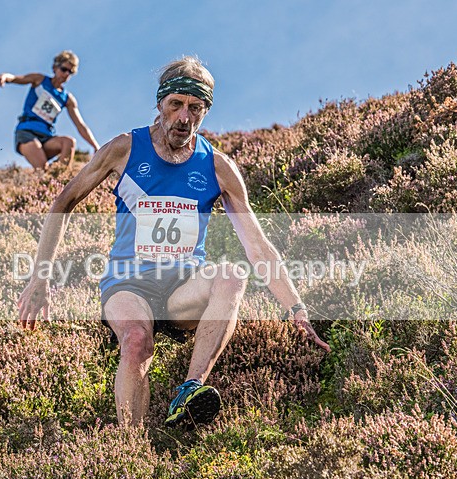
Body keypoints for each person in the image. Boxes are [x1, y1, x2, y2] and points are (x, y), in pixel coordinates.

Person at [17, 56, 330, 427]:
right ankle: (128, 451)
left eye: (195, 108)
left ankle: (190, 390)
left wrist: (295, 307)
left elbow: (258, 246)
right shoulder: (125, 148)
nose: (184, 117)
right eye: (176, 104)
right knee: (136, 339)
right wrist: (40, 278)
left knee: (232, 274)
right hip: (128, 284)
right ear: (160, 104)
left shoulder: (217, 166)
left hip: (183, 288)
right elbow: (63, 202)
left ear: (205, 110)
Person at [0, 50, 101, 169]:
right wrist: (4, 77)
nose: (66, 74)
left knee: (69, 142)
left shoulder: (67, 99)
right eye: (64, 69)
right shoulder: (39, 80)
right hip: (27, 133)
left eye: (70, 72)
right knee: (42, 168)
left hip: (46, 137)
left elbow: (80, 125)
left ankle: (59, 178)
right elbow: (16, 78)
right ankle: (44, 179)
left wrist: (95, 146)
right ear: (55, 68)